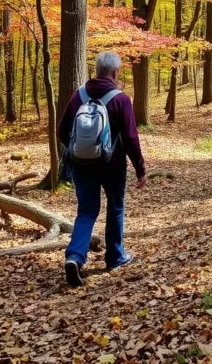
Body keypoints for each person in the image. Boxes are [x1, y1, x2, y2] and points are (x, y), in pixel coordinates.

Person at [58, 52, 146, 287]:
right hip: (113, 166)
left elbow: (62, 130)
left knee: (86, 211)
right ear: (115, 72)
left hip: (81, 166)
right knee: (115, 207)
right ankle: (115, 256)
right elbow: (130, 137)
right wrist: (140, 168)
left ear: (97, 70)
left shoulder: (79, 95)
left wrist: (77, 151)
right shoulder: (120, 99)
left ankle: (75, 257)